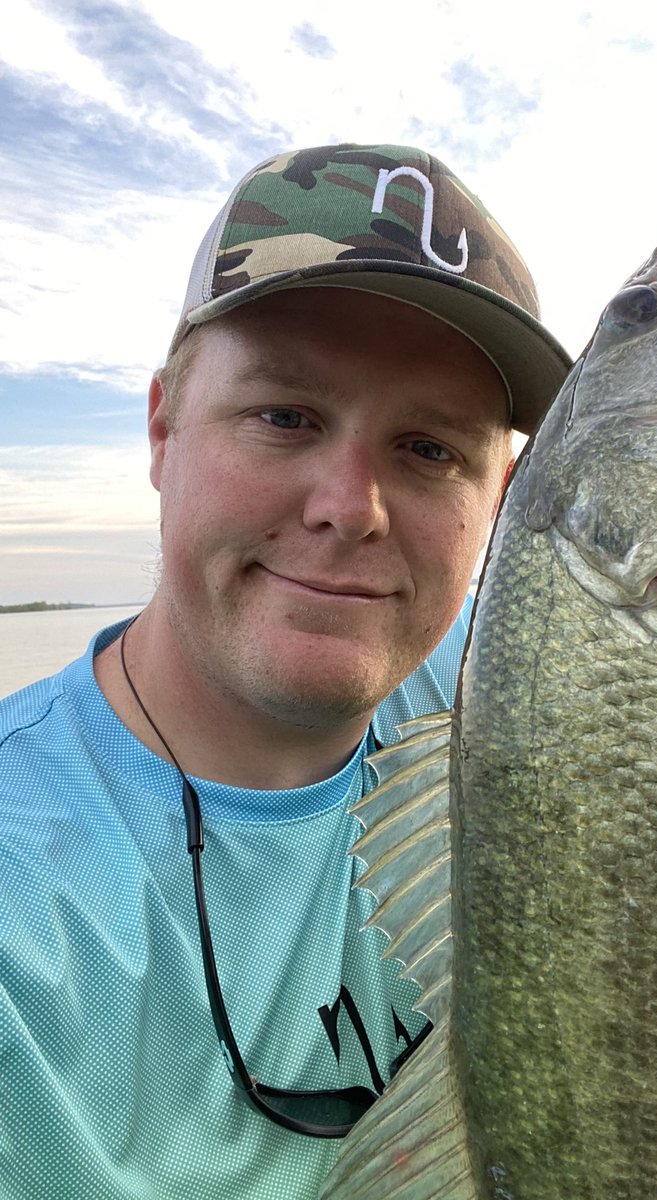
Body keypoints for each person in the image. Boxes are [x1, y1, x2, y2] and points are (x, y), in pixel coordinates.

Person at [0, 143, 571, 1199]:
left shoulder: (524, 697)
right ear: (164, 427)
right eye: (286, 417)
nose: (351, 507)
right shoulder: (21, 892)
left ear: (500, 494)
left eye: (432, 449)